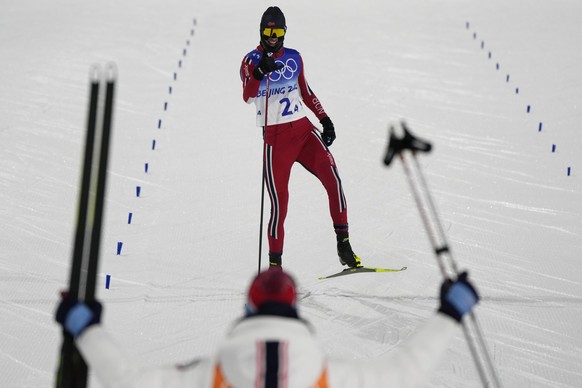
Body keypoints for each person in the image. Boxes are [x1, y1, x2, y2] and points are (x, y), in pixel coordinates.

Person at [55, 267, 481, 387]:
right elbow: (407, 373)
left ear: (247, 310)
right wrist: (450, 313)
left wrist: (84, 325)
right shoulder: (322, 375)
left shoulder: (216, 374)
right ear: (296, 313)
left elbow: (124, 380)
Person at [240, 6, 360, 268]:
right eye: (268, 32)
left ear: (284, 33)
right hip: (276, 142)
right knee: (280, 205)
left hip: (304, 133)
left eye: (278, 32)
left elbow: (306, 92)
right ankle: (275, 268)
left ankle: (344, 243)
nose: (273, 37)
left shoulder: (294, 57)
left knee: (334, 179)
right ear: (261, 32)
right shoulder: (250, 60)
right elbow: (247, 96)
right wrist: (260, 72)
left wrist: (325, 120)